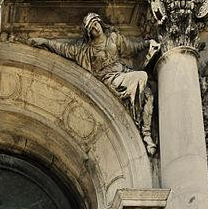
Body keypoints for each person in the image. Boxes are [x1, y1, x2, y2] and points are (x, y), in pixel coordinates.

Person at [28, 13, 159, 155]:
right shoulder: (85, 50)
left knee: (147, 94)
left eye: (95, 24)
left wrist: (148, 44)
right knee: (142, 77)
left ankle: (146, 135)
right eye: (91, 28)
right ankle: (140, 126)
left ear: (100, 23)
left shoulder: (114, 37)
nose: (95, 28)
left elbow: (132, 48)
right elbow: (63, 48)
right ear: (88, 32)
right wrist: (45, 42)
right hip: (110, 80)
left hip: (123, 72)